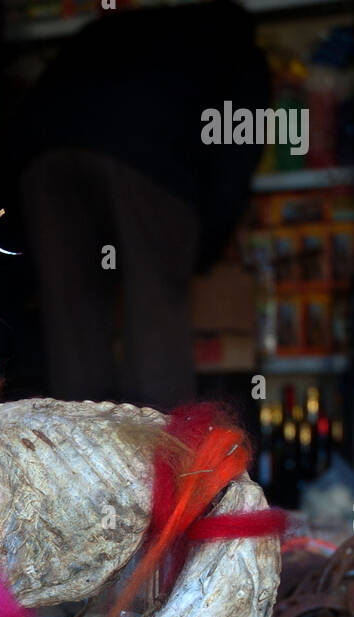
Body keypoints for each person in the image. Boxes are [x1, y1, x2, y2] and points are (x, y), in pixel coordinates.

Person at [16, 0, 269, 409]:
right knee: (156, 310)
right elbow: (234, 164)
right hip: (147, 159)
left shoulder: (112, 30)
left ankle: (77, 460)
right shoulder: (240, 54)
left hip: (45, 153)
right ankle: (160, 461)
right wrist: (200, 251)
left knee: (70, 318)